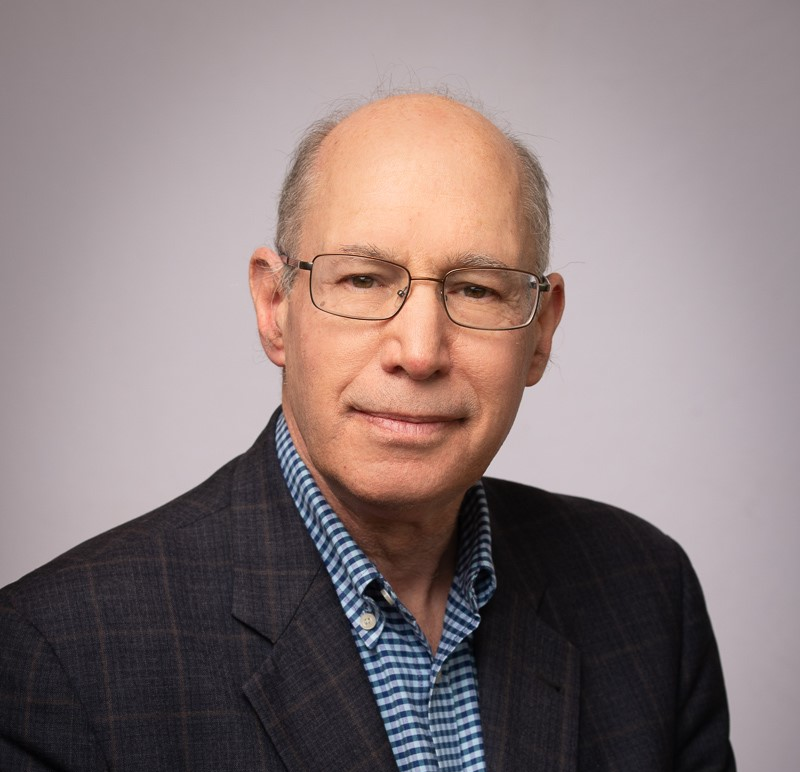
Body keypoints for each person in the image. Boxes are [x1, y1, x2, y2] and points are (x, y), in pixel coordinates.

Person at [0, 92, 735, 771]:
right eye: (363, 280)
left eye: (475, 289)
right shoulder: (57, 655)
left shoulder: (645, 593)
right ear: (273, 306)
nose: (418, 352)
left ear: (540, 333)